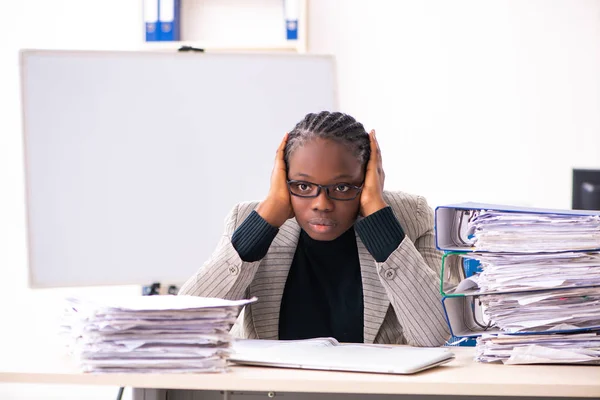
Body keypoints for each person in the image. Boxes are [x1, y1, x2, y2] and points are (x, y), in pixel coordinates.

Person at [179, 111, 450, 346]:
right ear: (283, 180)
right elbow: (184, 331)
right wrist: (265, 220)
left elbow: (434, 334)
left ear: (370, 178)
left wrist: (379, 221)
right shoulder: (248, 220)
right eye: (303, 186)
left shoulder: (409, 217)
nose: (322, 204)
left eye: (342, 187)